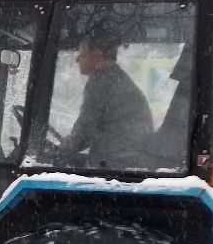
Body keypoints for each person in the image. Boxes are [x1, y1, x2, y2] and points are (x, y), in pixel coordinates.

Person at [59, 32, 151, 164]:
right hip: (129, 159)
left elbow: (85, 128)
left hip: (114, 163)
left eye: (82, 53)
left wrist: (64, 147)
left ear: (96, 54)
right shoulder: (116, 78)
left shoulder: (100, 80)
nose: (78, 59)